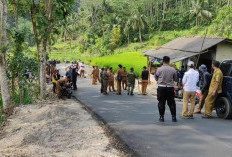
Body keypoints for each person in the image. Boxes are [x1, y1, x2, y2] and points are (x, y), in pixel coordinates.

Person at [155, 56, 178, 122]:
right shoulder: (173, 69)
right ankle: (173, 117)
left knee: (161, 102)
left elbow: (156, 77)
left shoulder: (159, 69)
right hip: (170, 88)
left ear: (163, 61)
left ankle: (161, 117)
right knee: (171, 103)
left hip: (161, 87)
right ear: (169, 61)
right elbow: (175, 78)